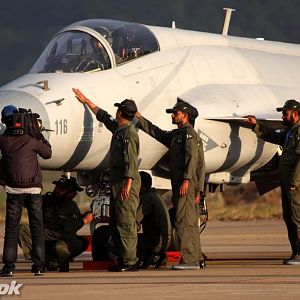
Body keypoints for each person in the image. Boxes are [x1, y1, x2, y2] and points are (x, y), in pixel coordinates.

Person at [72, 88, 141, 272]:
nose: (115, 112)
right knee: (117, 221)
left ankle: (130, 261)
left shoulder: (129, 134)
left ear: (121, 113)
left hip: (127, 184)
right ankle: (121, 258)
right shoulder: (120, 129)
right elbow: (103, 116)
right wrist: (86, 101)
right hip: (119, 183)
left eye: (118, 110)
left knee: (126, 222)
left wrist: (128, 182)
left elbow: (131, 160)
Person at [135, 100, 206, 270]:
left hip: (184, 185)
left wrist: (187, 181)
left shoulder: (189, 134)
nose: (173, 116)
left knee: (183, 222)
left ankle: (189, 260)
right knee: (189, 222)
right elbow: (157, 133)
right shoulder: (178, 135)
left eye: (176, 113)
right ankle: (196, 258)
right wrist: (139, 118)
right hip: (183, 184)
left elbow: (193, 160)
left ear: (185, 116)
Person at [246, 99, 300, 265]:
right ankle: (296, 252)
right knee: (289, 216)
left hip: (295, 185)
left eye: (285, 113)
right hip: (288, 183)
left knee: (297, 217)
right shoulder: (291, 132)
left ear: (296, 114)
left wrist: (295, 181)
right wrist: (256, 125)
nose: (282, 116)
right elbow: (274, 136)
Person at [0, 105, 52, 276]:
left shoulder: (4, 140)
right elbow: (47, 153)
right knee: (37, 227)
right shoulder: (31, 139)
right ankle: (38, 266)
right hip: (33, 190)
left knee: (11, 228)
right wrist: (36, 131)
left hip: (14, 189)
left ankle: (8, 267)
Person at [18, 176, 93, 272]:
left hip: (59, 239)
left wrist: (83, 220)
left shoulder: (71, 206)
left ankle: (56, 260)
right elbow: (28, 201)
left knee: (67, 245)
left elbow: (69, 228)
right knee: (23, 229)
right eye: (57, 187)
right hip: (43, 239)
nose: (57, 190)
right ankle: (39, 260)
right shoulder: (46, 200)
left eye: (61, 189)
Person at [137, 171, 172, 269]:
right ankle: (155, 256)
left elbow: (136, 223)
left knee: (129, 240)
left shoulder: (147, 198)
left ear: (141, 185)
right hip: (165, 241)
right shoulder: (155, 195)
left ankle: (149, 256)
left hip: (157, 242)